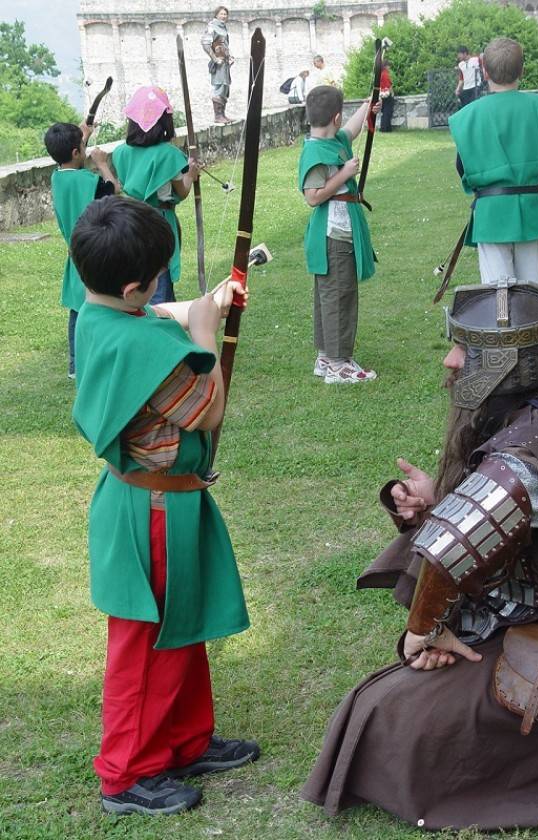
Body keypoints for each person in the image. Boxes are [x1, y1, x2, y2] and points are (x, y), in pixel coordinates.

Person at [302, 279, 538, 830]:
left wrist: (423, 631)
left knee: (385, 714)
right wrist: (441, 499)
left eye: (467, 352)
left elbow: (444, 553)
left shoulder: (522, 459)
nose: (452, 362)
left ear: (507, 365)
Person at [70, 196, 259, 815]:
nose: (156, 291)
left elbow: (157, 311)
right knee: (144, 641)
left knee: (183, 624)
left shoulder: (100, 315)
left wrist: (206, 304)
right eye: (152, 278)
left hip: (158, 504)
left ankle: (184, 740)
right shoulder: (144, 352)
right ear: (131, 285)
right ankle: (125, 773)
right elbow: (207, 408)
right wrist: (205, 337)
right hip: (152, 512)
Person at [449, 38, 538, 286]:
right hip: (529, 210)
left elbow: (462, 167)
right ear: (522, 70)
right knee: (533, 296)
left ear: (485, 71)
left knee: (498, 300)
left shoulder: (467, 116)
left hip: (492, 213)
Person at [298, 85, 380, 384]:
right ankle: (337, 363)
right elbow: (313, 196)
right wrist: (344, 174)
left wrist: (369, 103)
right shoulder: (316, 152)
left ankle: (327, 356)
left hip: (339, 230)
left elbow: (351, 130)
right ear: (335, 116)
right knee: (338, 296)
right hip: (332, 234)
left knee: (331, 295)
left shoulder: (332, 140)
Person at [44, 121, 120, 378]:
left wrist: (82, 137)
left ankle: (76, 365)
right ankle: (101, 357)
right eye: (83, 147)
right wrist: (102, 163)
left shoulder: (57, 176)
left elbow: (71, 162)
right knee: (103, 305)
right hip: (95, 252)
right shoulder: (89, 180)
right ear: (77, 152)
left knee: (77, 309)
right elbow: (114, 192)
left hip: (75, 253)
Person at [112, 86, 200, 305]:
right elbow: (181, 191)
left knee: (136, 274)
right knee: (158, 278)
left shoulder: (121, 152)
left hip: (129, 220)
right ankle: (158, 324)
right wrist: (191, 174)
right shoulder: (167, 154)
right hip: (156, 222)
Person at [201, 6, 234, 124]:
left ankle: (222, 115)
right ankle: (218, 116)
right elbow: (205, 43)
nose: (224, 16)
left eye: (225, 14)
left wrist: (229, 57)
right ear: (216, 15)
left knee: (225, 87)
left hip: (225, 63)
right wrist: (215, 59)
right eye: (221, 14)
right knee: (219, 87)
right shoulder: (212, 27)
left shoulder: (223, 28)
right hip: (218, 64)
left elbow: (223, 45)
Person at [379, 59, 394, 133]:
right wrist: (392, 93)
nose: (389, 67)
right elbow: (389, 85)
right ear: (385, 66)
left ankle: (384, 127)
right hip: (387, 94)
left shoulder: (380, 74)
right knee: (388, 111)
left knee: (384, 111)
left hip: (381, 94)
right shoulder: (385, 74)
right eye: (388, 66)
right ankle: (386, 128)